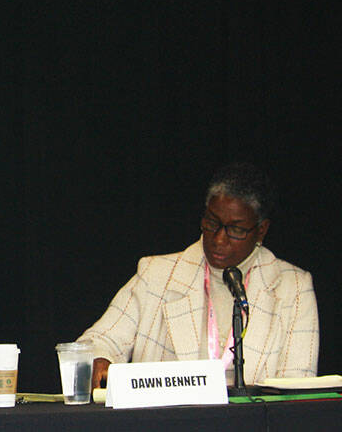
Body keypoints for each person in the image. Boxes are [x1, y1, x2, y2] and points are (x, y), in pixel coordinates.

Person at [80, 163, 318, 390]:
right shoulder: (157, 275)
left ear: (261, 230)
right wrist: (101, 359)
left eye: (235, 229)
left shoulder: (293, 288)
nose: (219, 239)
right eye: (212, 222)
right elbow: (97, 342)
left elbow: (298, 387)